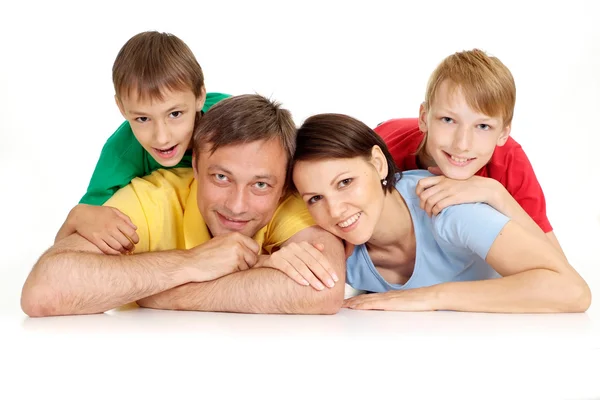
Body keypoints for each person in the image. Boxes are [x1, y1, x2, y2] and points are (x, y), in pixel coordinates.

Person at [20, 95, 346, 318]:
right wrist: (190, 263)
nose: (237, 204)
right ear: (194, 166)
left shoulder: (290, 200)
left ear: (283, 183)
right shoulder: (153, 197)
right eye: (220, 177)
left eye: (260, 185)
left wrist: (164, 294)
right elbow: (43, 291)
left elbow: (324, 290)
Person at [291, 113, 591, 313]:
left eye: (345, 182)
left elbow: (572, 290)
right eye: (316, 197)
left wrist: (434, 296)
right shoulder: (329, 238)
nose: (335, 210)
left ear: (379, 164)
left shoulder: (448, 210)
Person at [54, 31, 230, 255]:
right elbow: (63, 250)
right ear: (121, 108)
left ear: (199, 97)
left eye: (175, 114)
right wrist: (76, 216)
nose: (162, 137)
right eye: (143, 119)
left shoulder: (228, 118)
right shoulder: (121, 153)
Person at [374, 49, 565, 254]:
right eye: (448, 120)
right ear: (424, 118)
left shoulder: (509, 160)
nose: (462, 144)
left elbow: (556, 264)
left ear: (503, 133)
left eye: (483, 126)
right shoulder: (385, 151)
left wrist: (495, 193)